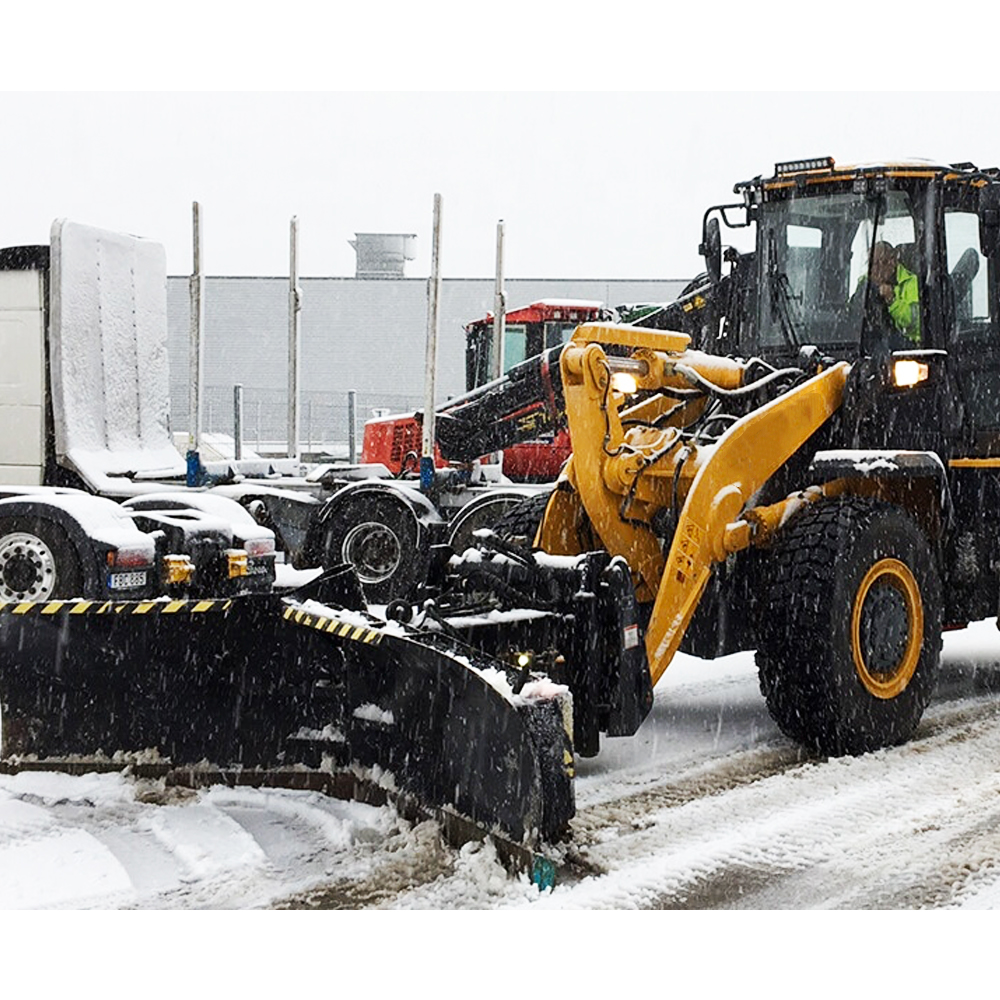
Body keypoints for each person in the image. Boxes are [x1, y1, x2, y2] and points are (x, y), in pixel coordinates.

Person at [868, 241, 921, 344]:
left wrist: (892, 300)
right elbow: (853, 314)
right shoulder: (865, 285)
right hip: (874, 345)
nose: (876, 270)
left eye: (881, 263)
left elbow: (914, 322)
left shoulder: (912, 283)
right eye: (872, 265)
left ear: (893, 262)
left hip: (909, 347)